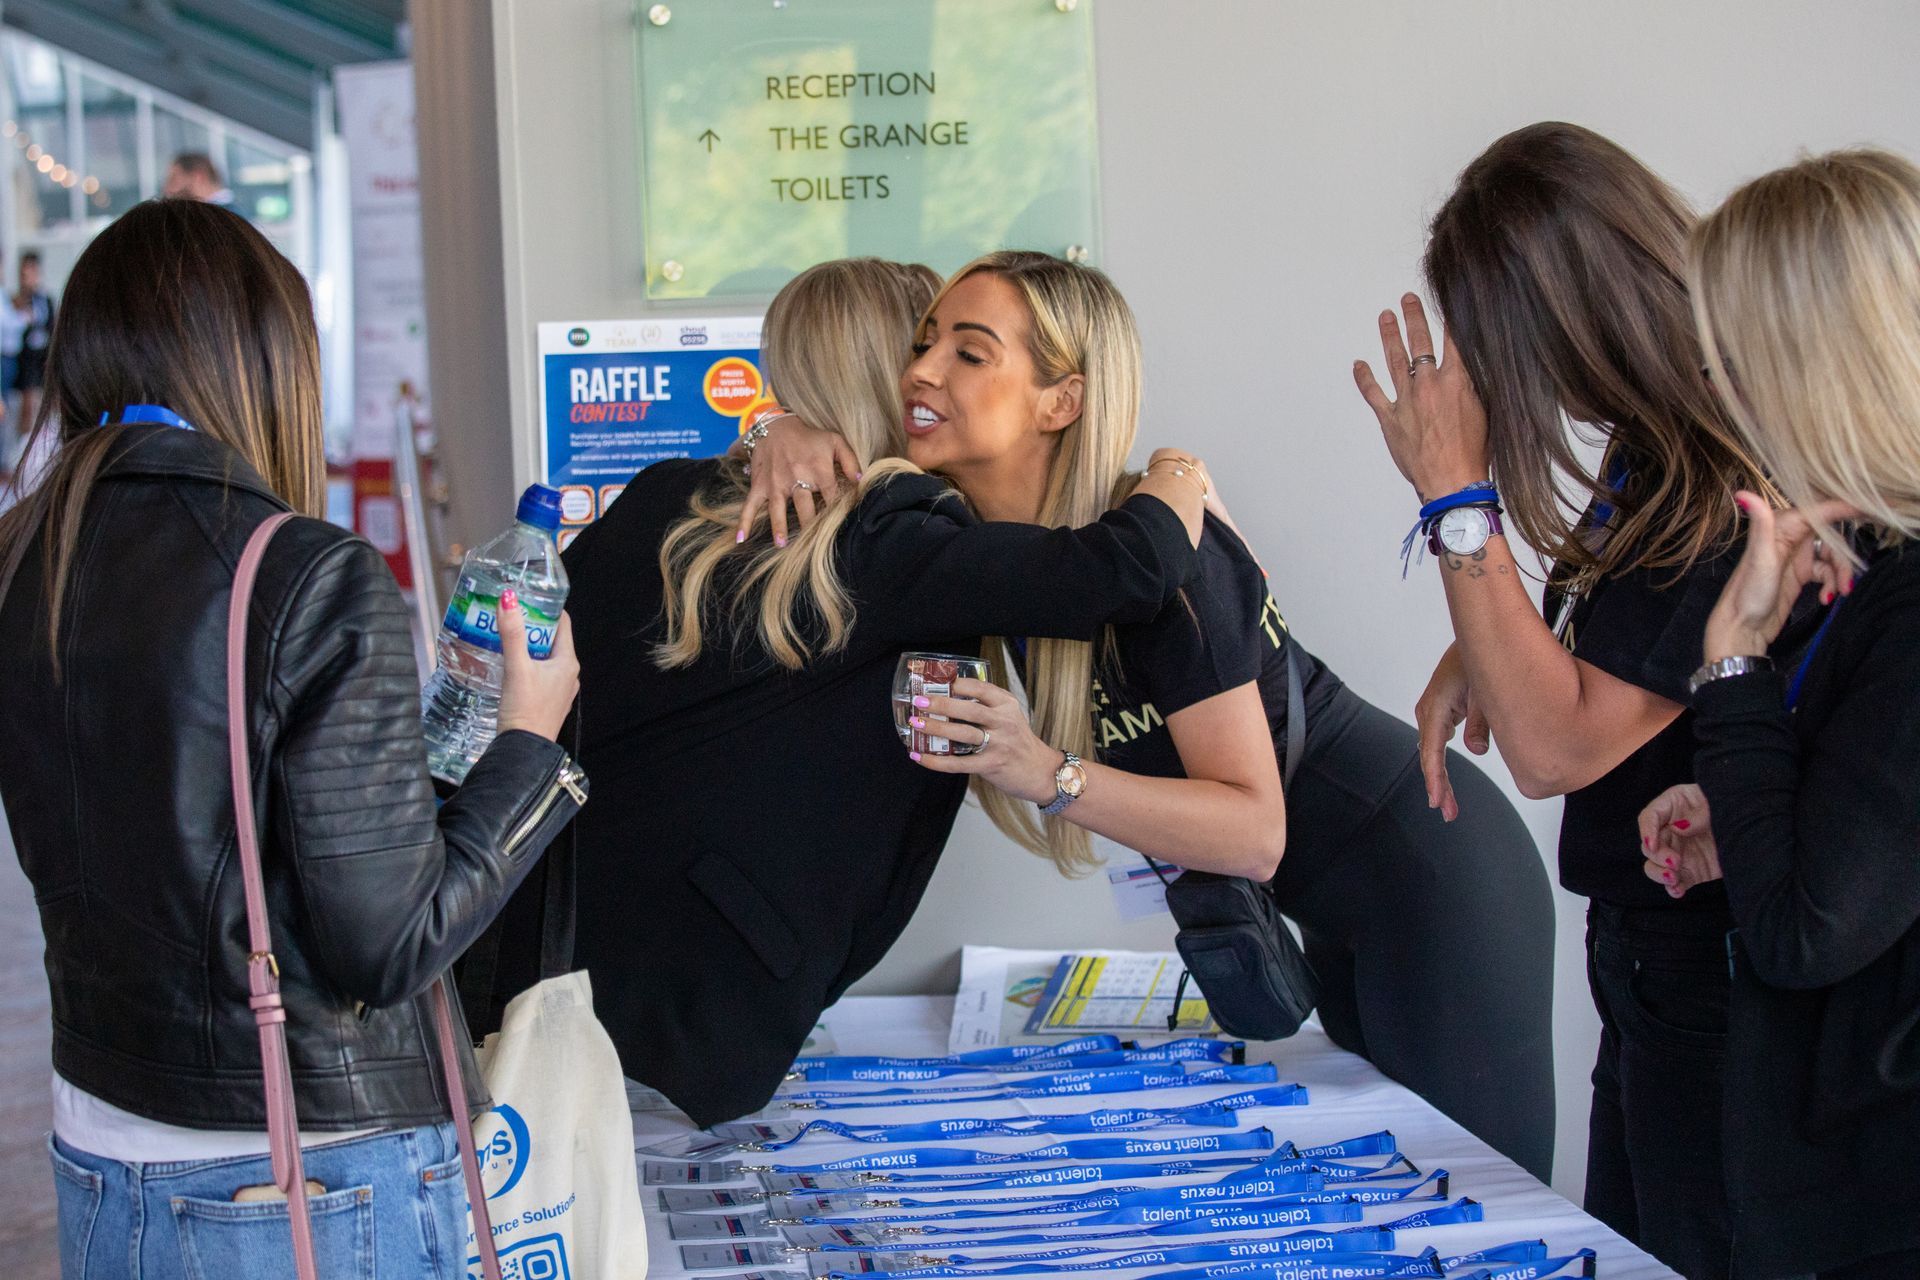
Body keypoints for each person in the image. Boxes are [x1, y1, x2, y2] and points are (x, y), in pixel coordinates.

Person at [754, 251, 1558, 1180]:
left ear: (1061, 401)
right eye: (922, 342)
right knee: (1403, 1199)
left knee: (1487, 1207)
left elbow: (1254, 834)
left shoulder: (1164, 556)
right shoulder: (1007, 554)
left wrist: (1043, 770)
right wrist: (777, 427)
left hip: (1434, 875)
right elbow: (847, 475)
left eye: (969, 354)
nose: (921, 370)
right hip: (1336, 912)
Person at [465, 257, 1215, 1127]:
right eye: (923, 347)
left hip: (528, 961)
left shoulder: (662, 493)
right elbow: (1127, 570)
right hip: (696, 1018)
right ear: (887, 370)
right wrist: (1182, 474)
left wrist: (770, 429)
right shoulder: (893, 537)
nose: (931, 375)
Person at [0, 199, 584, 1278]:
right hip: (299, 1177)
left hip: (96, 1143)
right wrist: (528, 742)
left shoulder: (27, 557)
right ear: (264, 362)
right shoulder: (304, 570)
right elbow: (388, 943)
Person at [1351, 123, 1825, 1278]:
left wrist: (1456, 497)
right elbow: (1598, 653)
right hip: (1659, 964)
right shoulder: (1655, 445)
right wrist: (1499, 637)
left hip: (1713, 977)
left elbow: (1554, 743)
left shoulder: (1719, 468)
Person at [1636, 149, 1920, 1280]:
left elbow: (1806, 928)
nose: (1718, 388)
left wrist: (1735, 669)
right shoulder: (1871, 563)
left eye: (1732, 359)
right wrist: (1751, 802)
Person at [11, 251, 54, 443]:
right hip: (25, 361)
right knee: (27, 408)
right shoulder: (15, 302)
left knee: (42, 407)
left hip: (43, 358)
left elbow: (50, 327)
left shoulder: (45, 300)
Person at [163, 151, 233, 205]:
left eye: (174, 180)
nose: (167, 190)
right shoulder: (229, 214)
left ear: (198, 177)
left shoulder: (217, 217)